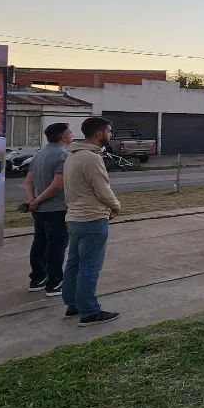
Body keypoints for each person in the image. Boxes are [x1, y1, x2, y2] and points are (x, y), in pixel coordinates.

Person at [61, 117, 122, 327]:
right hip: (92, 218)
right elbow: (102, 190)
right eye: (109, 131)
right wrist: (116, 207)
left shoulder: (73, 156)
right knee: (90, 266)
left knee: (74, 263)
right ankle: (89, 311)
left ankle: (73, 303)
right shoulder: (91, 158)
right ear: (99, 134)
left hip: (75, 218)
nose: (111, 135)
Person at [23, 122, 73, 296]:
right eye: (70, 132)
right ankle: (55, 282)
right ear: (63, 137)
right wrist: (37, 200)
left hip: (39, 210)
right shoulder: (64, 156)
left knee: (39, 243)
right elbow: (57, 186)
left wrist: (32, 200)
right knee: (56, 246)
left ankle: (37, 279)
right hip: (56, 209)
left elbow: (28, 181)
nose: (72, 135)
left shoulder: (38, 155)